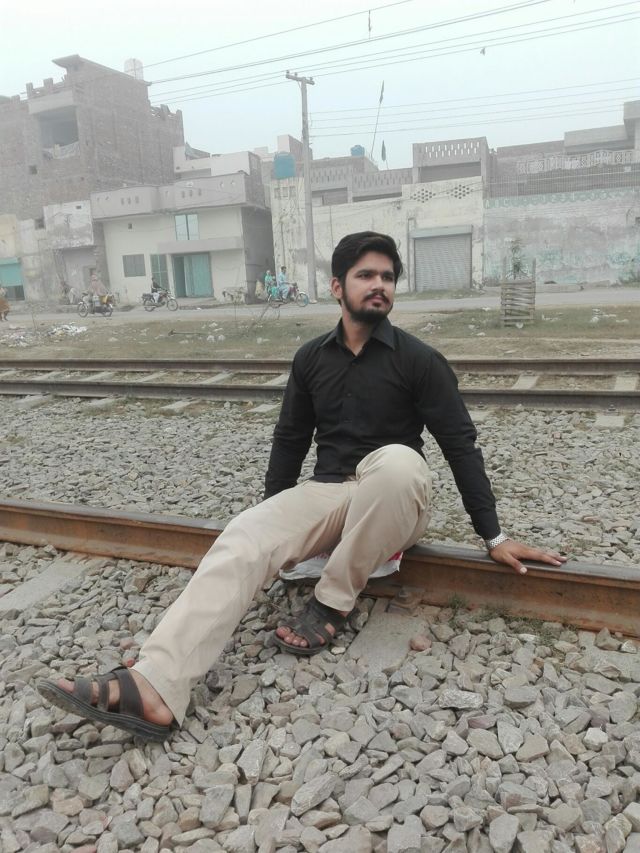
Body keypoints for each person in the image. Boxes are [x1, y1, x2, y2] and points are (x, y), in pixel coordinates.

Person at [37, 231, 566, 742]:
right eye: (365, 275)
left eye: (387, 277)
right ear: (337, 287)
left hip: (396, 499)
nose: (379, 285)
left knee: (399, 463)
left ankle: (332, 603)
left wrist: (493, 536)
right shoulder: (311, 358)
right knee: (245, 534)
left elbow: (460, 445)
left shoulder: (419, 360)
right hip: (330, 490)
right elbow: (290, 439)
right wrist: (276, 521)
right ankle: (155, 685)